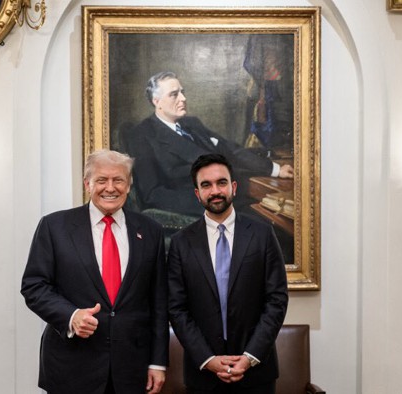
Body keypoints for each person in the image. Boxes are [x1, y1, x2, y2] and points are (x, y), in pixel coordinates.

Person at [20, 150, 168, 394]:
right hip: (72, 366)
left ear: (129, 185)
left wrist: (157, 362)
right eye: (101, 180)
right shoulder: (54, 226)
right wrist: (71, 315)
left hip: (132, 369)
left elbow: (159, 301)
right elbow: (34, 286)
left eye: (118, 180)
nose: (110, 188)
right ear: (87, 184)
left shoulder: (150, 231)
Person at [167, 153, 289, 393]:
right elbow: (177, 308)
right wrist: (207, 359)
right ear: (197, 193)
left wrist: (250, 356)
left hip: (256, 372)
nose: (215, 191)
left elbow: (276, 300)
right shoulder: (182, 243)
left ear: (233, 187)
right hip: (203, 374)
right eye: (206, 185)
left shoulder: (262, 234)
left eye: (221, 182)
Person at [123, 71, 294, 216]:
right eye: (174, 94)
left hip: (234, 196)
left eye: (182, 92)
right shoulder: (142, 135)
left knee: (279, 219)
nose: (183, 98)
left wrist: (275, 169)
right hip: (200, 210)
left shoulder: (192, 123)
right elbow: (152, 194)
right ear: (156, 101)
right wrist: (213, 204)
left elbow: (230, 150)